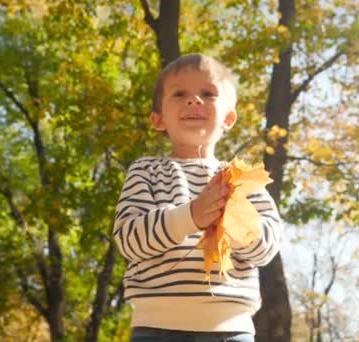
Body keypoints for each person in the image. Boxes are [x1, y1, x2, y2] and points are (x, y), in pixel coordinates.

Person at [113, 54, 283, 342]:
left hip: (231, 330)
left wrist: (233, 222)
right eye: (180, 94)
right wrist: (190, 215)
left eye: (208, 93)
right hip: (156, 329)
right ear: (158, 120)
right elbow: (129, 239)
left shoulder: (242, 179)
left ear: (229, 118)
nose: (194, 100)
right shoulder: (146, 171)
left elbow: (267, 247)